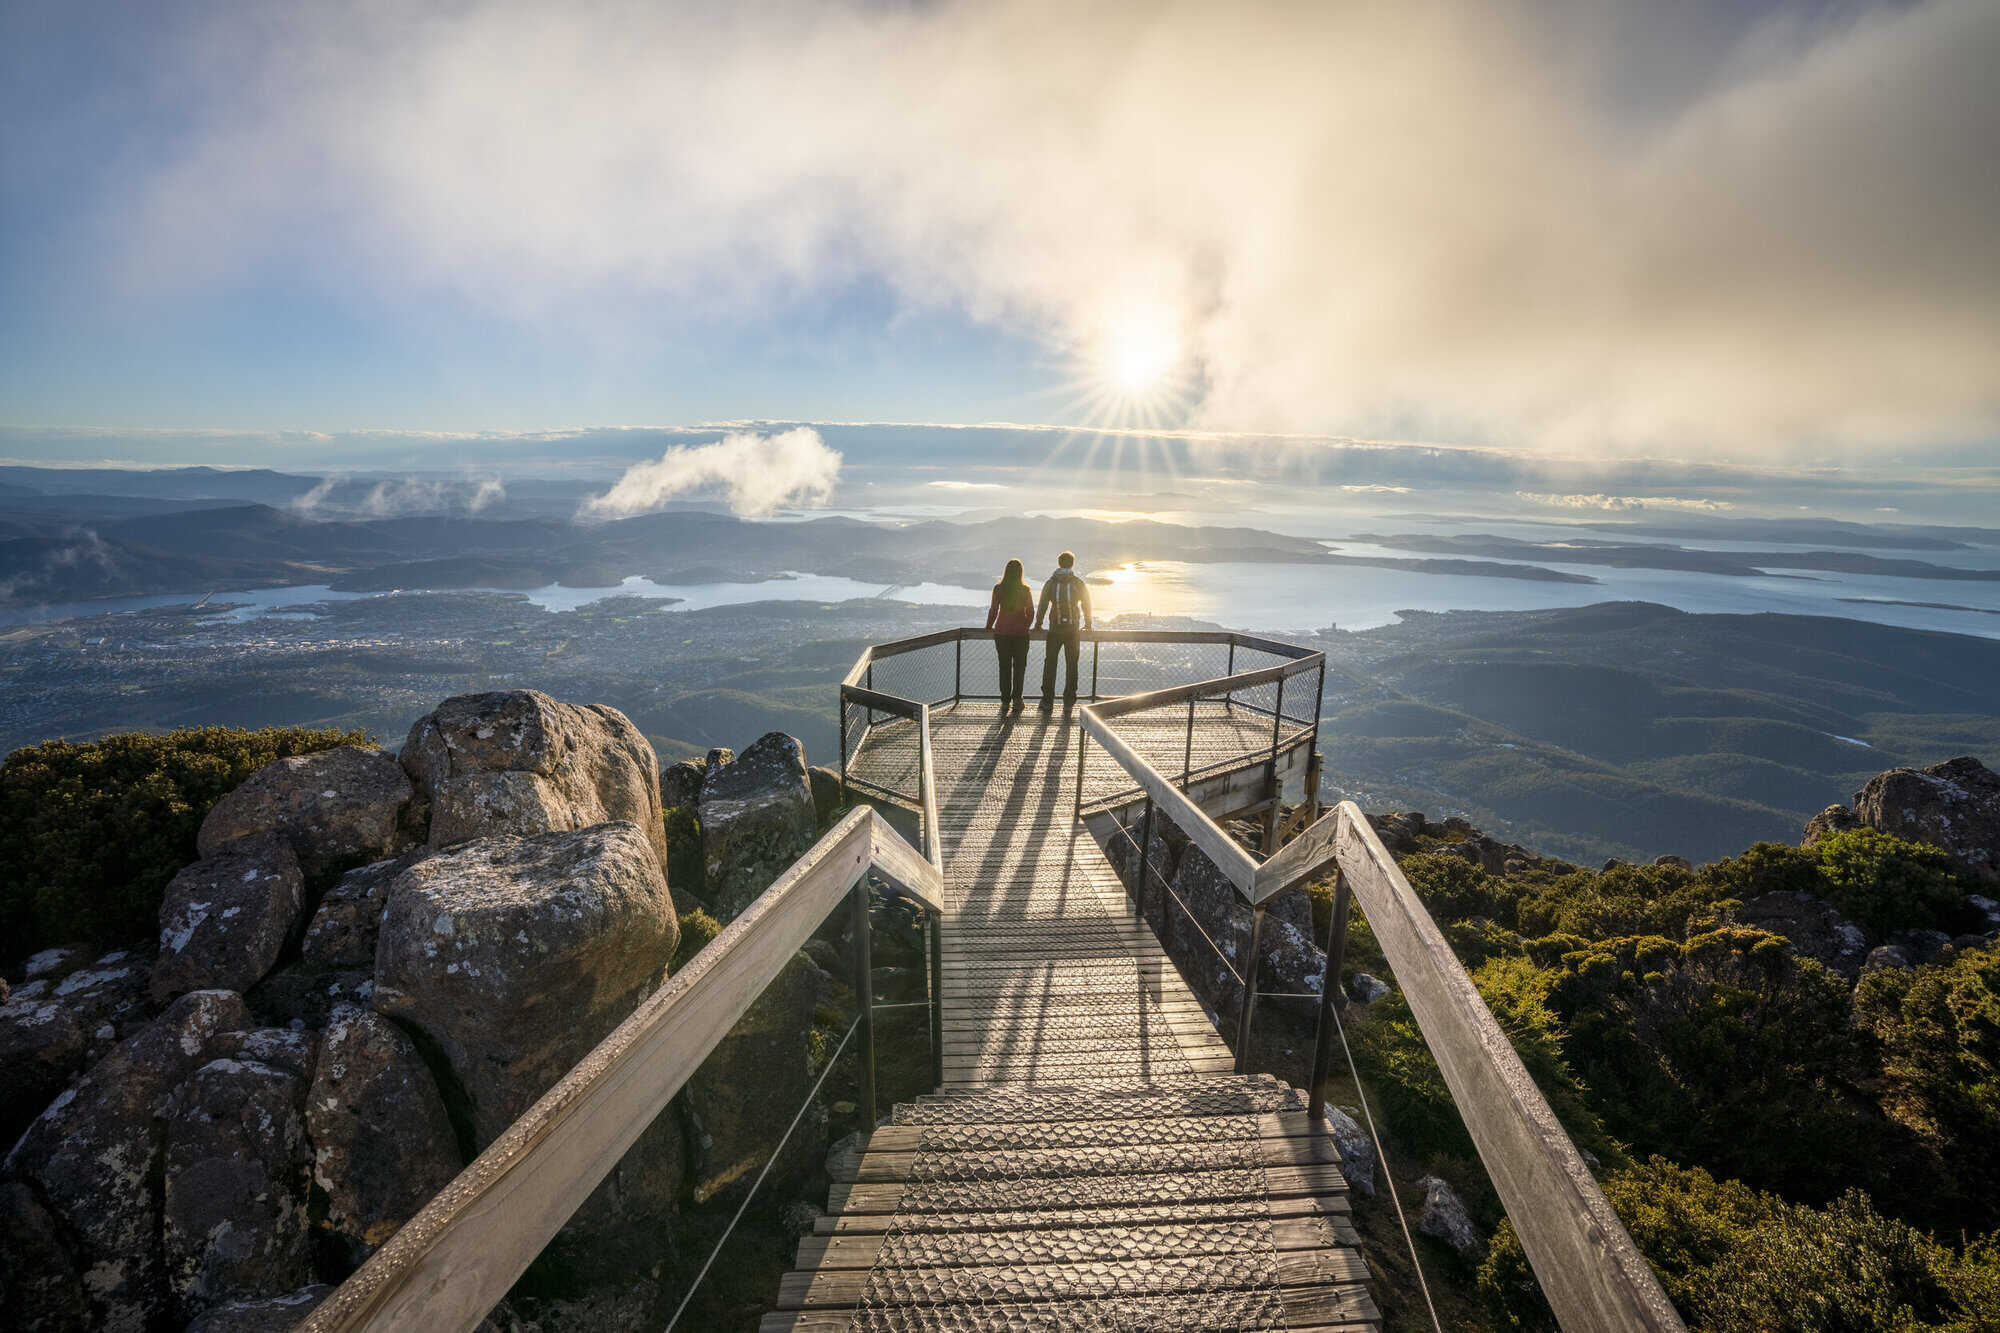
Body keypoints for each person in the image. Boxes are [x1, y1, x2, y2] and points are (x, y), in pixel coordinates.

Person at [1034, 550, 1093, 713]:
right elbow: (1086, 604)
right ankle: (1068, 702)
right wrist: (1088, 623)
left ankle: (1047, 701)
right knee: (1072, 665)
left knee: (1050, 664)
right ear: (1072, 564)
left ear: (1059, 563)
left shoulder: (1051, 583)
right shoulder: (1078, 583)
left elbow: (1043, 604)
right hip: (1073, 630)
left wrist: (1038, 624)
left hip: (1055, 629)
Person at [986, 558, 1035, 714]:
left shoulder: (998, 589)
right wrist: (1025, 626)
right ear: (1021, 572)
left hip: (1002, 634)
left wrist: (988, 627)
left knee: (1004, 667)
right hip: (1021, 636)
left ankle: (1005, 701)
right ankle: (1017, 700)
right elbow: (1031, 611)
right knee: (1019, 668)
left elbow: (993, 610)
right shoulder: (1025, 590)